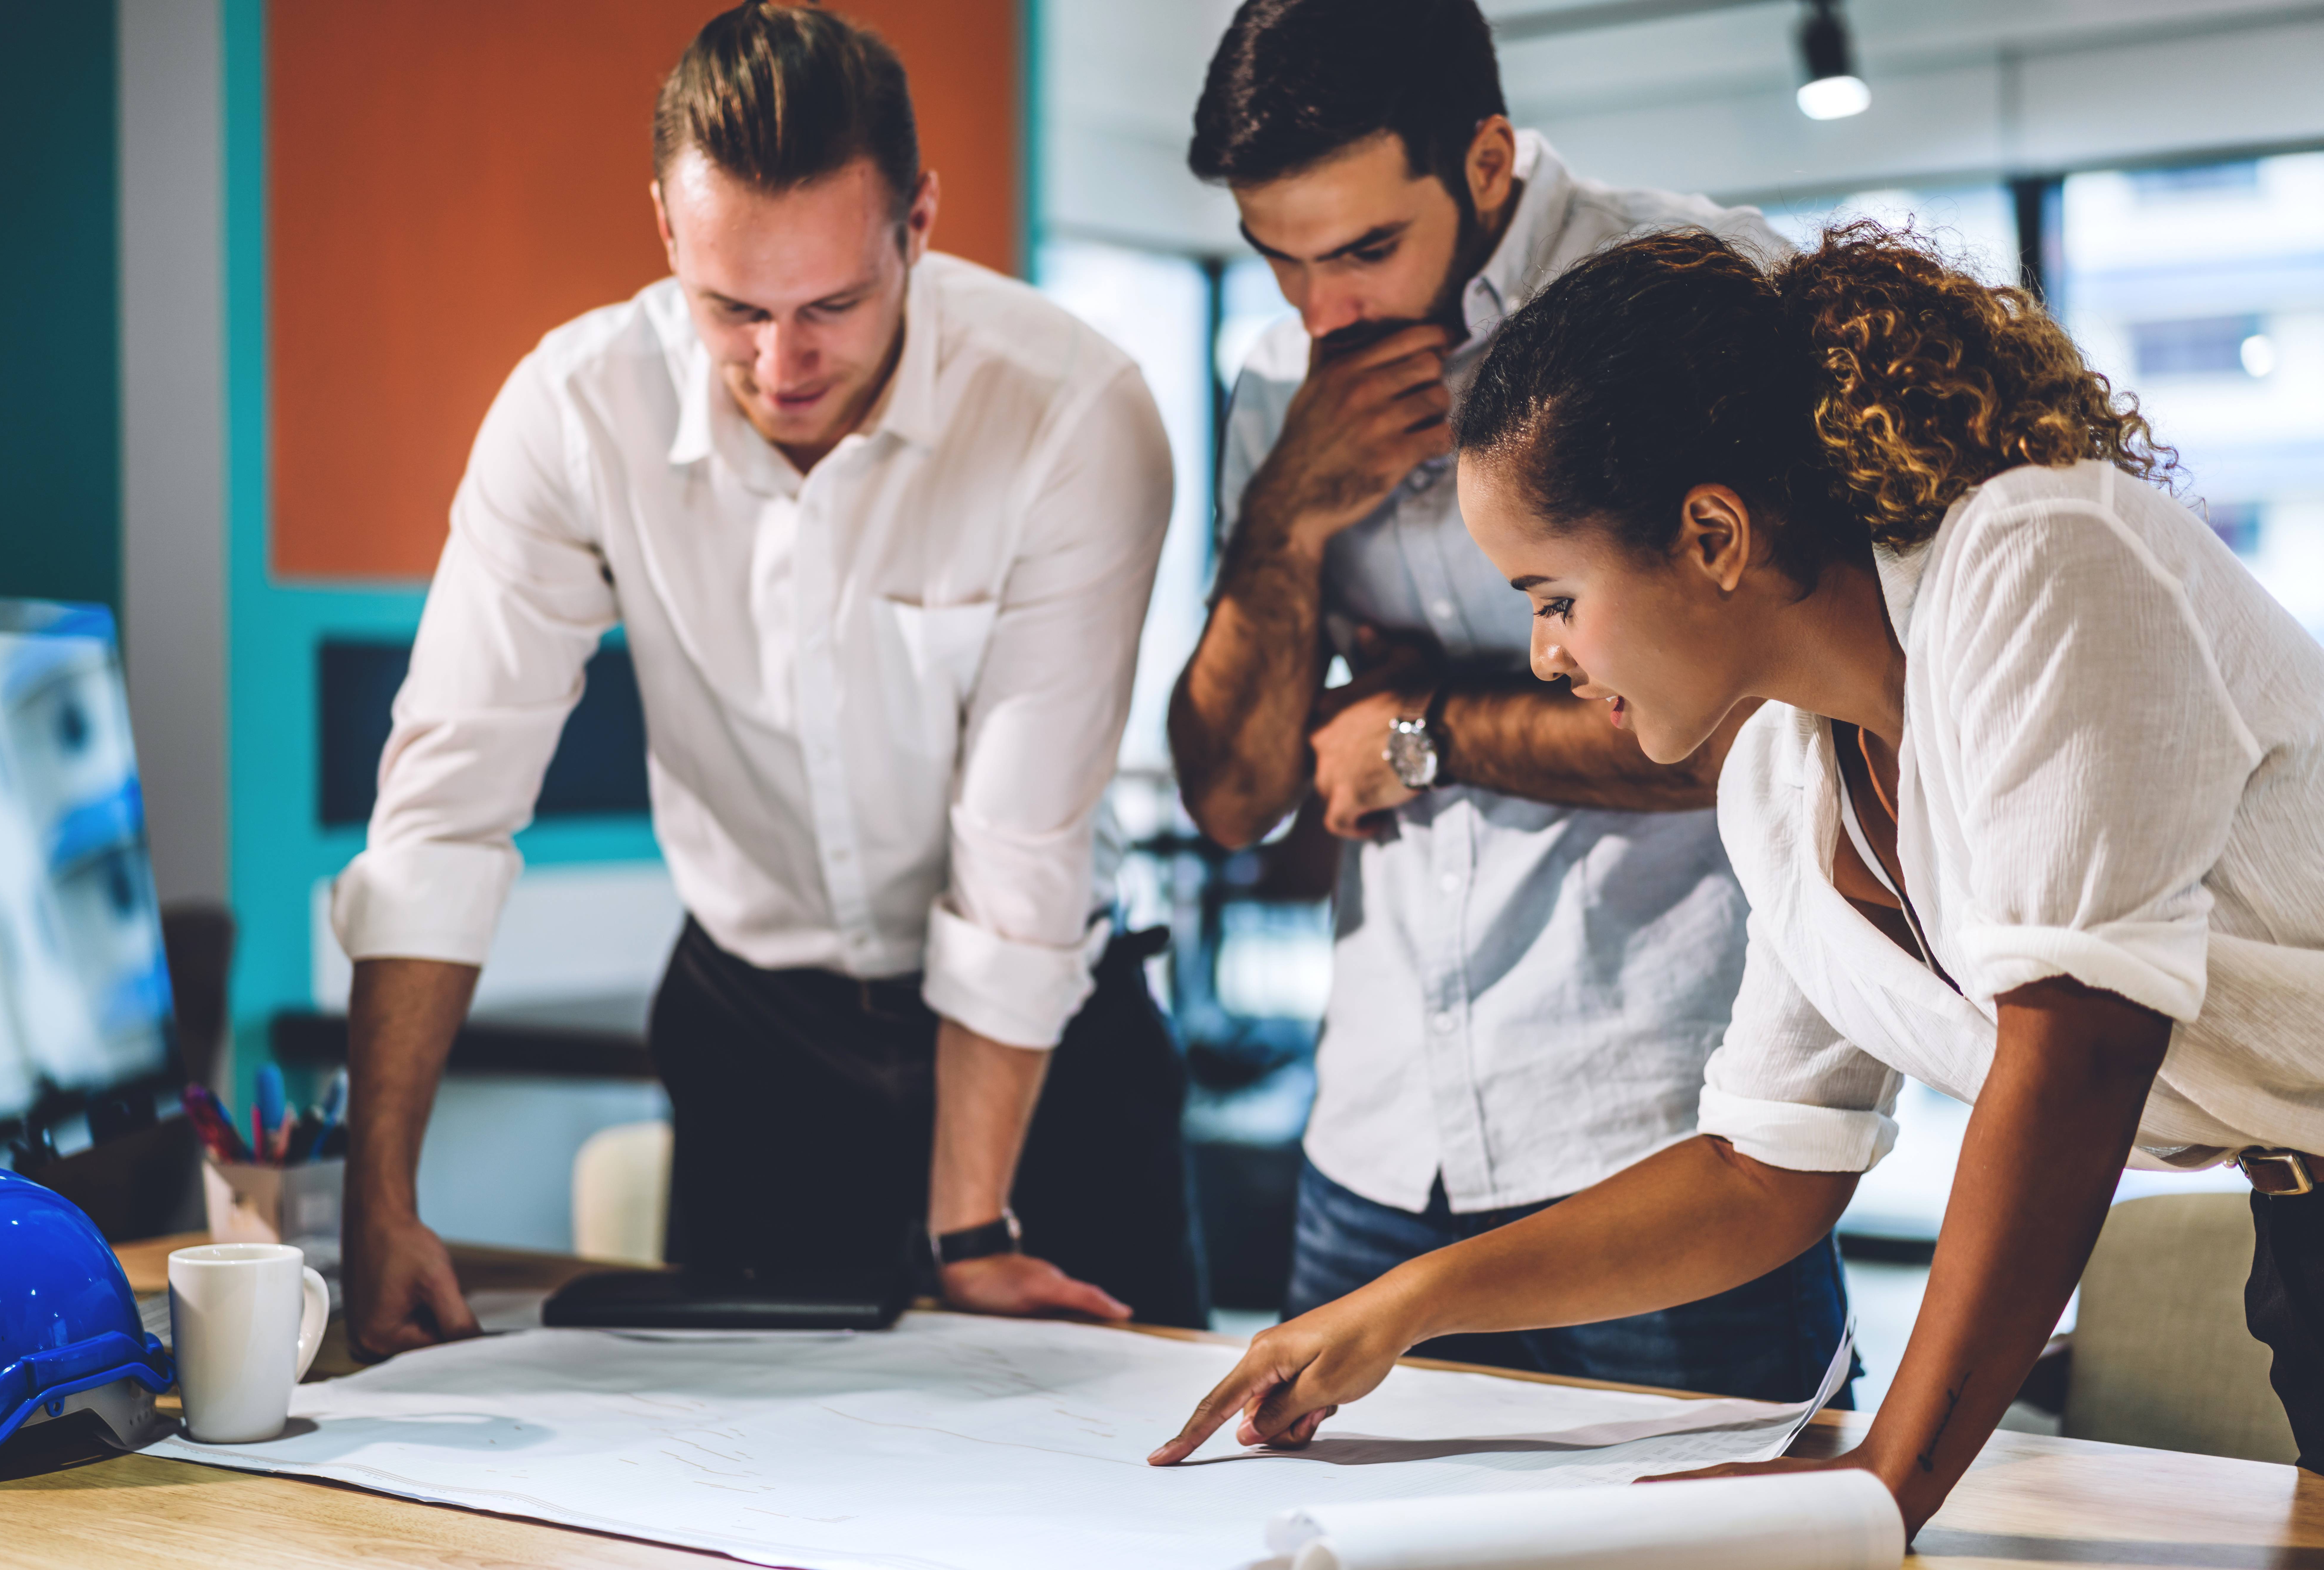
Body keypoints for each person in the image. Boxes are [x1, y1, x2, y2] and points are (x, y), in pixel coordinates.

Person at [1150, 219, 2324, 1536]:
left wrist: (1881, 1483)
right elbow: (1761, 1173)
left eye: (1553, 596)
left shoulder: (2035, 555)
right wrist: (1402, 1306)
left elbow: (2077, 1057)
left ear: (1711, 534)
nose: (1544, 656)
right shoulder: (1779, 775)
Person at [336, 1, 1208, 1360]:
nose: (780, 365)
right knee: (739, 1468)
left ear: (917, 223)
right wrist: (378, 1200)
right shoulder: (575, 414)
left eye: (831, 307)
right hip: (757, 1043)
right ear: (666, 231)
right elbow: (445, 808)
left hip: (1050, 1046)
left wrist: (969, 1233)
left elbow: (1018, 854)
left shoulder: (1072, 413)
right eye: (732, 309)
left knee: (1121, 1453)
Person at [1168, 0, 1848, 1401]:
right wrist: (1285, 510)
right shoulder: (1279, 387)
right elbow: (1233, 800)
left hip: (1662, 1135)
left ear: (1484, 160)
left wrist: (1423, 730)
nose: (1319, 311)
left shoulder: (1695, 296)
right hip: (1371, 1146)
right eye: (1279, 259)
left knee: (1719, 1524)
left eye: (1363, 250)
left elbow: (1774, 719)